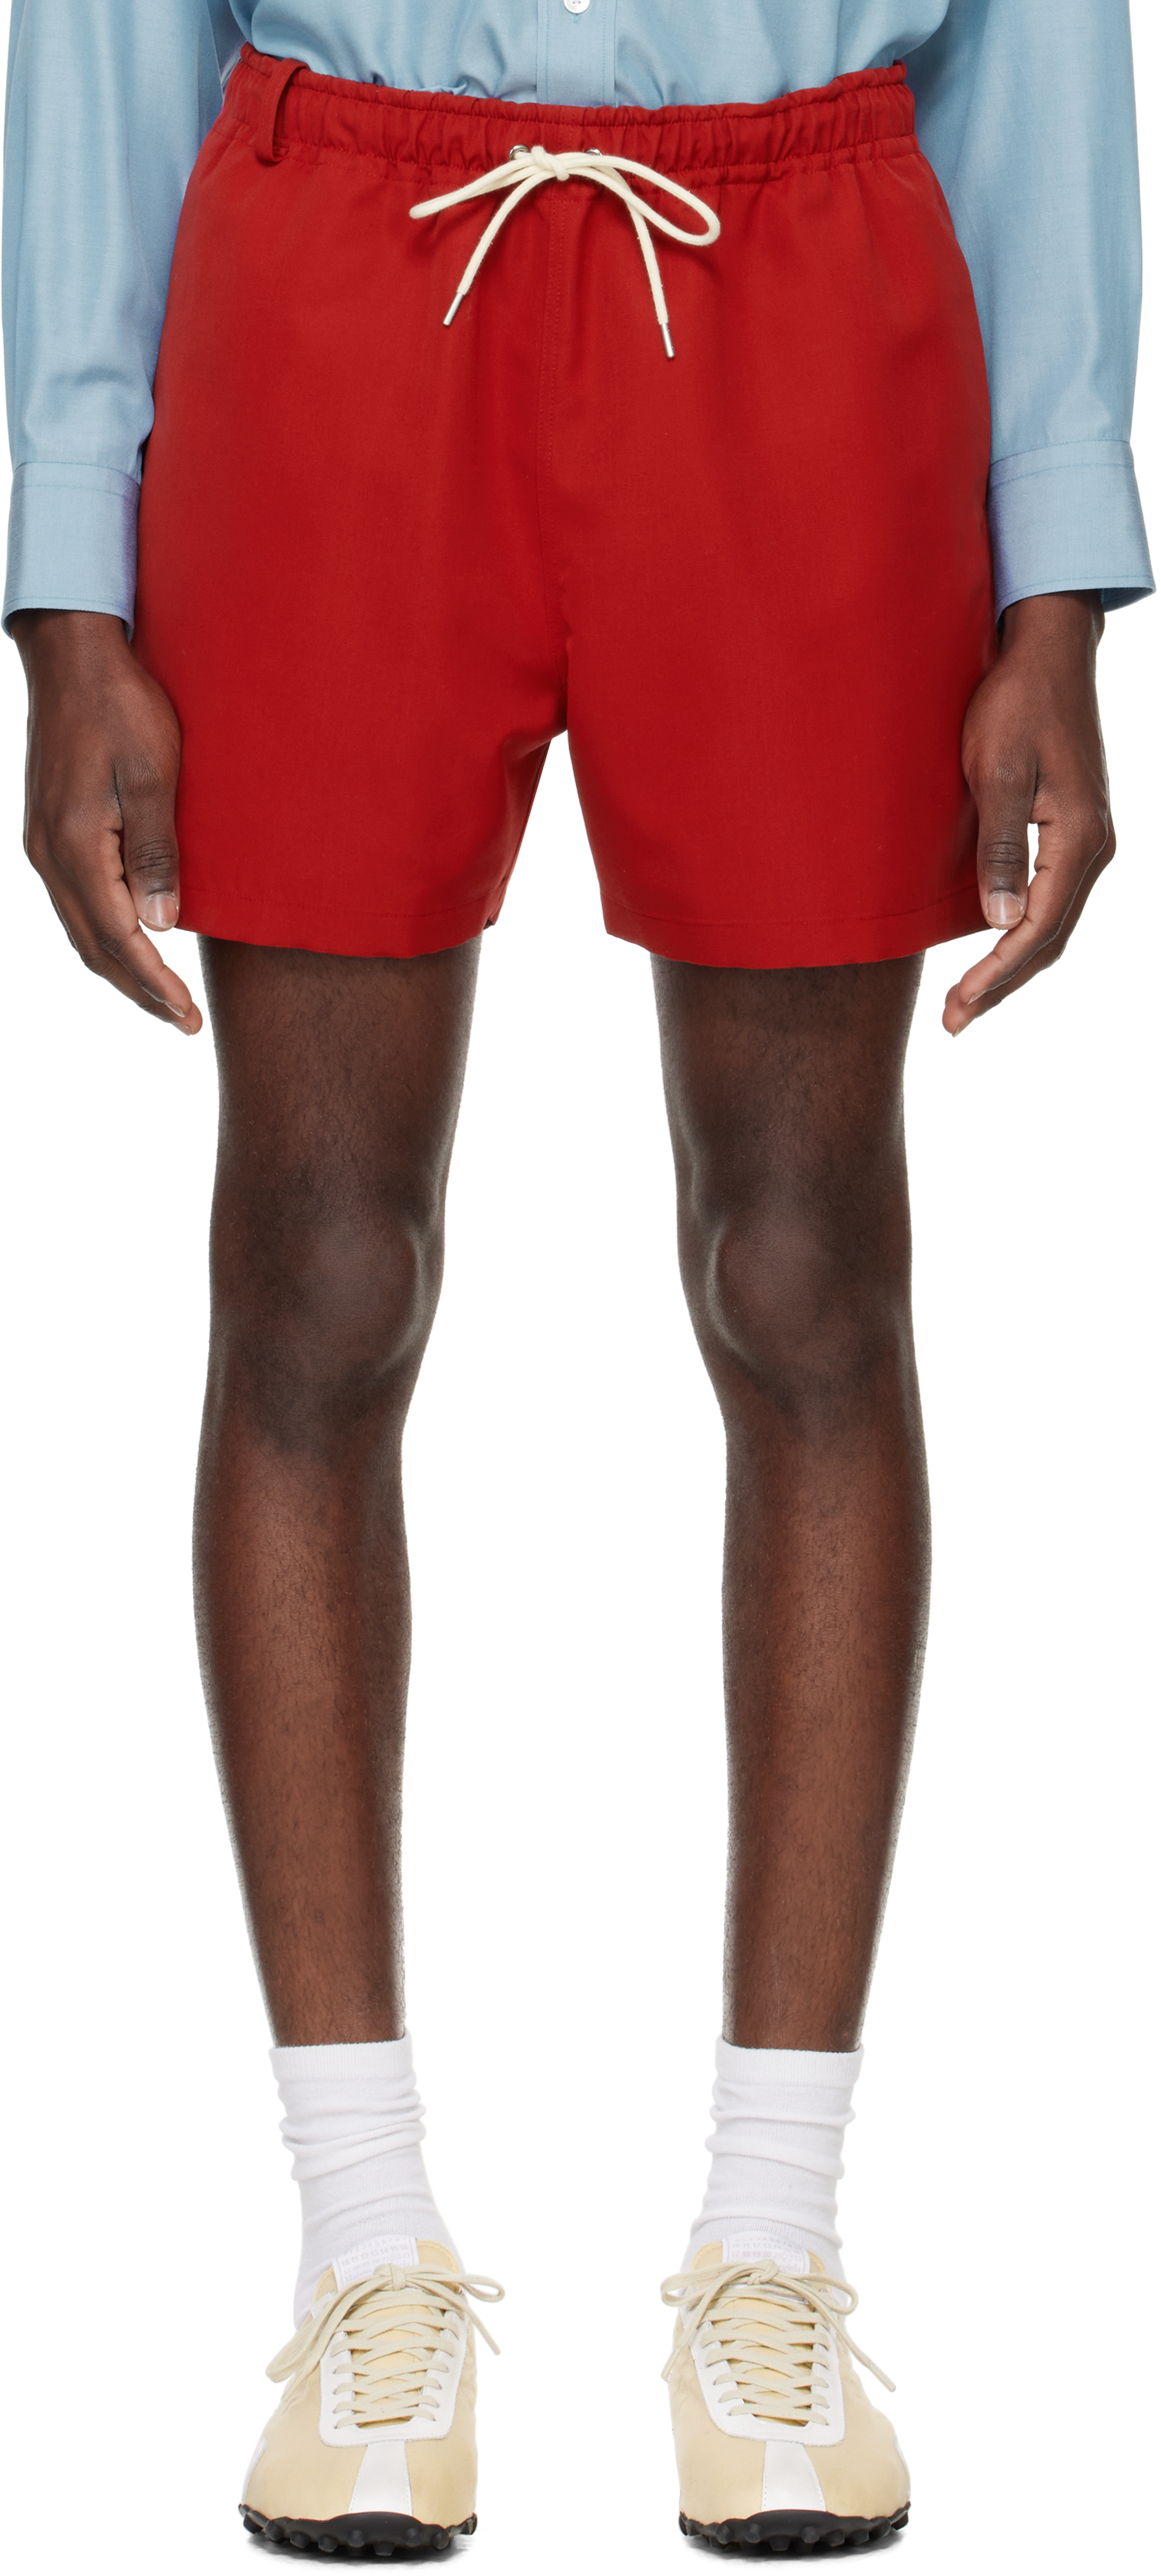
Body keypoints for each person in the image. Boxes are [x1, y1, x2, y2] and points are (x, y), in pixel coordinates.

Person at [3, 0, 1151, 2555]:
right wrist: (69, 561)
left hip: (801, 260)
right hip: (335, 267)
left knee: (808, 1265)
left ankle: (774, 2240)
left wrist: (1055, 573)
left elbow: (1043, 39)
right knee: (315, 1268)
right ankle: (360, 2243)